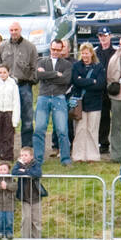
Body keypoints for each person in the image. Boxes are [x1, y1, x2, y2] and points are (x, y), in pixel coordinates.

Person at [0, 22, 38, 148]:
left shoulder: (30, 47)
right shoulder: (3, 46)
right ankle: (6, 149)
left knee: (27, 120)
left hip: (23, 86)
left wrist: (29, 80)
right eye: (11, 30)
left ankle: (27, 149)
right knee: (6, 118)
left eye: (16, 30)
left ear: (20, 30)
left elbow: (34, 67)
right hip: (6, 87)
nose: (13, 32)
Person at [33, 38, 72, 166]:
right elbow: (39, 76)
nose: (55, 52)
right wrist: (56, 74)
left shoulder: (66, 64)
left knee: (62, 130)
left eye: (58, 50)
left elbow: (65, 80)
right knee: (39, 128)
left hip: (59, 97)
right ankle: (38, 159)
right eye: (53, 49)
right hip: (43, 97)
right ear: (50, 48)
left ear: (62, 50)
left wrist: (48, 76)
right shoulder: (41, 61)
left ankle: (65, 159)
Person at [70, 43, 106, 162]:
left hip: (95, 104)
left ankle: (93, 156)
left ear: (91, 53)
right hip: (80, 103)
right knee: (80, 130)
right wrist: (92, 81)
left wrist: (83, 80)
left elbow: (101, 84)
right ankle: (78, 156)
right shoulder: (76, 66)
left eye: (87, 53)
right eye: (83, 53)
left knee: (92, 130)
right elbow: (76, 81)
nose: (85, 55)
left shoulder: (99, 67)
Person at [13, 147, 45, 240]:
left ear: (31, 156)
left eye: (26, 155)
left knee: (36, 221)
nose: (23, 157)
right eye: (22, 155)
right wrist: (26, 172)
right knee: (26, 220)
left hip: (36, 197)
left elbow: (37, 173)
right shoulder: (18, 164)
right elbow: (14, 172)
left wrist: (25, 171)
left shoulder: (36, 164)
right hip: (25, 198)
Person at [95, 29, 117, 154]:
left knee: (117, 118)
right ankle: (103, 143)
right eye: (101, 36)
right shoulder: (95, 52)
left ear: (110, 36)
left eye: (105, 36)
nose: (103, 38)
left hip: (113, 89)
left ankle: (116, 144)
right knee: (103, 118)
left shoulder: (115, 52)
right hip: (100, 90)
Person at [0, 162, 17, 240]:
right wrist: (0, 186)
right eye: (1, 169)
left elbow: (15, 187)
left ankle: (9, 232)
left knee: (9, 219)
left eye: (4, 169)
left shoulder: (11, 178)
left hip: (9, 204)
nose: (2, 171)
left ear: (8, 170)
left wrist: (7, 186)